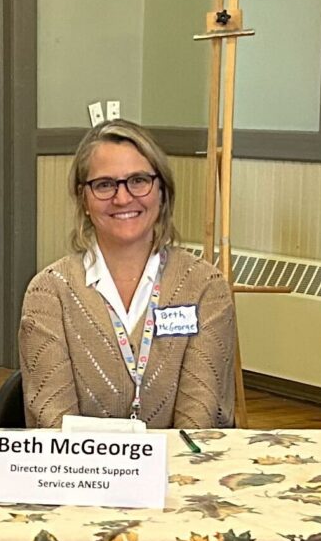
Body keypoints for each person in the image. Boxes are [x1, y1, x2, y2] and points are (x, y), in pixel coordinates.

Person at [18, 122, 236, 428]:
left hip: (180, 460)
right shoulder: (48, 293)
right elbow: (55, 426)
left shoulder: (205, 288)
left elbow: (199, 424)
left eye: (138, 180)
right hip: (81, 460)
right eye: (104, 185)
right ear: (83, 198)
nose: (122, 198)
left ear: (162, 191)